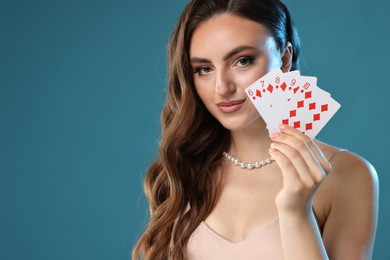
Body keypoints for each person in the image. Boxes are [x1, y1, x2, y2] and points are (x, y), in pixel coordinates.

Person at [133, 0, 379, 259]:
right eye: (204, 69)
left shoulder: (349, 175)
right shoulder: (184, 168)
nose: (222, 88)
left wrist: (296, 213)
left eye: (242, 61)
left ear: (284, 58)